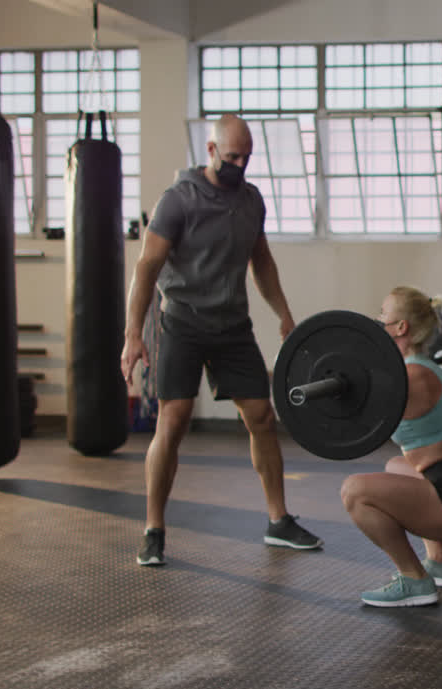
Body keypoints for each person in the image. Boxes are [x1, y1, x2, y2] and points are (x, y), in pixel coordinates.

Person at [120, 113, 322, 567]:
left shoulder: (251, 201)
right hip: (183, 323)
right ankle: (153, 529)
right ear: (210, 151)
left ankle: (279, 521)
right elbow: (146, 267)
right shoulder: (179, 200)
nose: (240, 165)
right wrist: (133, 334)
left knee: (262, 416)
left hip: (232, 325)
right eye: (232, 157)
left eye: (247, 157)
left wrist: (284, 312)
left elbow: (261, 261)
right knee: (173, 421)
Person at [341, 287, 442, 607]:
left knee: (354, 492)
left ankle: (414, 579)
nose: (378, 320)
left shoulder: (413, 377)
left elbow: (362, 420)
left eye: (383, 314)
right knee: (396, 467)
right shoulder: (424, 369)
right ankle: (439, 562)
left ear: (401, 327)